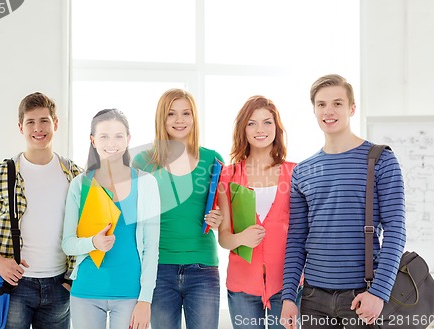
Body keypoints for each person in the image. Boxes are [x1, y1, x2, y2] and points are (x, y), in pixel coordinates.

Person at [280, 74, 406, 329]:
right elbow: (296, 239)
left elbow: (396, 230)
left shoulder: (380, 159)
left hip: (362, 296)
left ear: (352, 108)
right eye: (321, 104)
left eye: (337, 103)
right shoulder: (303, 170)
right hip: (313, 298)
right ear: (314, 110)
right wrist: (288, 297)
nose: (329, 111)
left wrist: (379, 293)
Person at [0, 92, 82, 329]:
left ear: (55, 123)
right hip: (14, 287)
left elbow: (87, 230)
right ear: (21, 127)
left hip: (60, 287)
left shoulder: (76, 175)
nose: (38, 128)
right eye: (30, 122)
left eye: (44, 120)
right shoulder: (0, 173)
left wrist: (71, 281)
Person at [132, 88, 224, 329]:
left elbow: (225, 215)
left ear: (194, 118)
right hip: (158, 269)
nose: (179, 120)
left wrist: (219, 218)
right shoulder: (143, 162)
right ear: (161, 119)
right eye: (171, 114)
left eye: (186, 113)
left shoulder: (212, 160)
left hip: (202, 267)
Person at [61, 109, 160, 329]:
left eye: (118, 136)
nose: (111, 143)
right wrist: (92, 243)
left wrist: (145, 299)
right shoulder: (79, 184)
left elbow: (151, 248)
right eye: (104, 136)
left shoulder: (146, 183)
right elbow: (67, 244)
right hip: (86, 292)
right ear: (93, 140)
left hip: (130, 294)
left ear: (128, 140)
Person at [217, 95, 301, 329]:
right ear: (243, 129)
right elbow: (223, 237)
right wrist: (241, 238)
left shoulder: (295, 173)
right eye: (251, 123)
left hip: (287, 286)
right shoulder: (229, 175)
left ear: (277, 128)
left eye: (267, 122)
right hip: (242, 284)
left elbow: (305, 233)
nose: (260, 129)